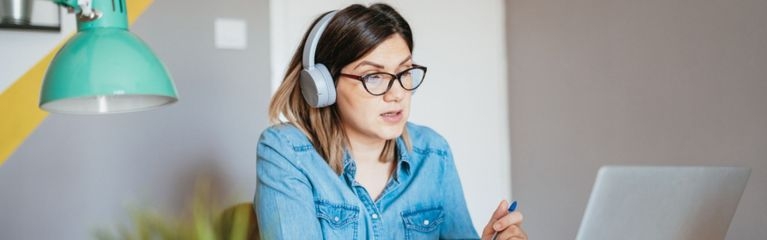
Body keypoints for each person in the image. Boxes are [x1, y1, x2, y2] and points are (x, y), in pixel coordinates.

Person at [254, 3, 527, 240]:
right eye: (373, 76)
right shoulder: (286, 152)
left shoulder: (433, 153)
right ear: (323, 86)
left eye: (405, 72)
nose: (397, 94)